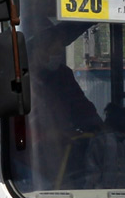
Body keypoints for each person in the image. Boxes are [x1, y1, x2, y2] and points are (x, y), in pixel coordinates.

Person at [17, 26, 102, 189]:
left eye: (59, 51)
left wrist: (99, 127)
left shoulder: (63, 75)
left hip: (63, 155)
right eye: (53, 51)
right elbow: (8, 130)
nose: (57, 56)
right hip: (26, 163)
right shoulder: (18, 80)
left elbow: (83, 109)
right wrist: (45, 135)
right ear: (37, 49)